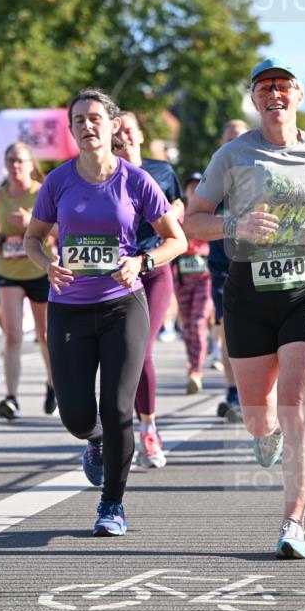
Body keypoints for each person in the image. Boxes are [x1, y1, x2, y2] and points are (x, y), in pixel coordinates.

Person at [185, 57, 305, 559]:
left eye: (283, 86)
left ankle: (293, 522)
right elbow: (194, 220)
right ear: (255, 99)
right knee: (259, 416)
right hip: (248, 294)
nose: (275, 94)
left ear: (298, 95)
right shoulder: (233, 155)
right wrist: (235, 226)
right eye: (265, 88)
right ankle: (267, 434)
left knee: (297, 405)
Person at [24, 89, 186, 536]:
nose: (87, 125)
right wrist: (46, 265)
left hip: (122, 306)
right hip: (69, 309)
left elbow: (178, 239)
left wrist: (143, 261)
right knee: (77, 416)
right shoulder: (58, 181)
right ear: (72, 128)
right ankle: (94, 441)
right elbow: (33, 238)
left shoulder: (136, 180)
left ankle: (111, 504)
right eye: (79, 119)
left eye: (95, 117)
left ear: (113, 126)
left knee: (117, 409)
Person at [115, 111, 184, 467]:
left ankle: (149, 430)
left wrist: (175, 210)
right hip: (119, 273)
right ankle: (114, 431)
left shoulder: (161, 170)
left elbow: (179, 202)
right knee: (119, 353)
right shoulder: (107, 174)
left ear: (140, 135)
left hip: (154, 267)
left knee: (141, 349)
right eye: (118, 132)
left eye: (129, 130)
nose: (124, 137)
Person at [0, 142, 55, 420]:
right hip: (10, 270)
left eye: (20, 160)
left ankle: (53, 384)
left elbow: (59, 231)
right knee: (12, 336)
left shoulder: (42, 192)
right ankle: (11, 397)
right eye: (10, 161)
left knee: (45, 336)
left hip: (40, 268)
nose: (15, 166)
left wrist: (31, 222)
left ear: (31, 164)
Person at [207, 119, 248, 422]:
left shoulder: (259, 173)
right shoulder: (214, 175)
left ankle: (259, 393)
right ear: (222, 142)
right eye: (230, 137)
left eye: (240, 137)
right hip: (223, 264)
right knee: (226, 332)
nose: (235, 142)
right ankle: (233, 392)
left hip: (258, 262)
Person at [173, 172, 212, 396]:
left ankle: (196, 371)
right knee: (187, 326)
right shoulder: (179, 214)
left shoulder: (209, 212)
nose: (195, 190)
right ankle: (192, 366)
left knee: (198, 322)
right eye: (191, 187)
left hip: (204, 278)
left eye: (199, 186)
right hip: (182, 277)